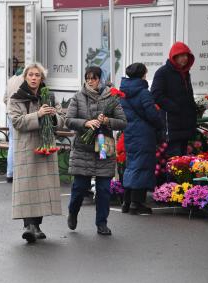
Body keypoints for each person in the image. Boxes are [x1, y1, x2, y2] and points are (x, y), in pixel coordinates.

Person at [65, 66, 127, 236]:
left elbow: (123, 122)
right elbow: (68, 120)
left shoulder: (111, 97)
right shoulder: (78, 97)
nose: (90, 81)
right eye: (88, 78)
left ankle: (102, 223)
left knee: (104, 189)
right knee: (80, 187)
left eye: (94, 78)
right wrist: (85, 123)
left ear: (100, 79)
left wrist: (107, 121)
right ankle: (73, 211)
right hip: (83, 147)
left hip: (103, 145)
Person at [8, 63, 65, 243]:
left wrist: (54, 116)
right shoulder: (16, 98)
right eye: (30, 75)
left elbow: (62, 119)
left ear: (42, 78)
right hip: (27, 148)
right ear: (25, 77)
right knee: (27, 189)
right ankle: (28, 226)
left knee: (42, 187)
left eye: (37, 75)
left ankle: (37, 226)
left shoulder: (48, 96)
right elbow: (17, 122)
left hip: (45, 146)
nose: (34, 78)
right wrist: (38, 114)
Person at [119, 63, 163, 215]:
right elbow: (152, 114)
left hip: (130, 132)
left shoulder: (123, 92)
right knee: (142, 166)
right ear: (142, 74)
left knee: (132, 165)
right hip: (144, 133)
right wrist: (159, 124)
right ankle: (136, 203)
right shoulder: (143, 92)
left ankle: (126, 202)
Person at [151, 41, 196, 157]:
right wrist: (174, 107)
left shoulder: (186, 73)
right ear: (174, 57)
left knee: (183, 161)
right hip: (171, 124)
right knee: (173, 160)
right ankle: (170, 176)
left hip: (185, 124)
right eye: (181, 55)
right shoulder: (163, 73)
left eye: (186, 55)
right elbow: (156, 95)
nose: (184, 58)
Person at [3, 70, 24, 183]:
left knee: (12, 142)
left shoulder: (11, 80)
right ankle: (17, 173)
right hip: (20, 115)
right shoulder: (24, 79)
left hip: (10, 114)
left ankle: (10, 172)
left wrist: (10, 107)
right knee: (19, 142)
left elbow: (5, 99)